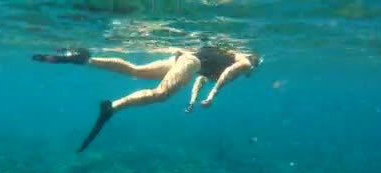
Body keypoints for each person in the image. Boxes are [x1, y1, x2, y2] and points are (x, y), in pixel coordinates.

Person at [32, 46, 263, 152]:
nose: (252, 73)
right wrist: (213, 96)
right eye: (256, 68)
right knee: (161, 94)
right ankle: (112, 107)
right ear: (256, 61)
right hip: (192, 62)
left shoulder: (230, 56)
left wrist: (193, 100)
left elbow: (202, 79)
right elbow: (225, 75)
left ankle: (84, 59)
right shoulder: (244, 62)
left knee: (136, 70)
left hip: (188, 59)